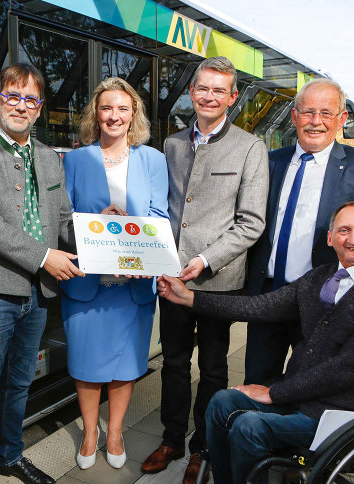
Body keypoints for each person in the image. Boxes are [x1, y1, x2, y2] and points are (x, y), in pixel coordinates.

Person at [157, 200, 354, 484]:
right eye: (344, 230)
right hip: (300, 398)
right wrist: (189, 298)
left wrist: (274, 394)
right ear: (330, 238)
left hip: (343, 414)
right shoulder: (318, 278)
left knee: (249, 425)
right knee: (223, 401)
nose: (353, 239)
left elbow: (349, 368)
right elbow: (260, 307)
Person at [244, 78, 354, 386]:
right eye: (308, 112)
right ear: (294, 117)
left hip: (325, 299)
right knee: (257, 383)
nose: (316, 121)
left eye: (326, 113)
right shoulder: (269, 161)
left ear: (342, 119)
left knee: (312, 387)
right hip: (270, 295)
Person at [0, 63, 82, 484]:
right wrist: (46, 257)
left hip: (38, 295)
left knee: (19, 385)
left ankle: (9, 456)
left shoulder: (48, 157)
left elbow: (62, 219)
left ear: (40, 108)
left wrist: (100, 230)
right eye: (13, 96)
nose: (20, 106)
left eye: (30, 99)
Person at [141, 56, 268, 484]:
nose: (210, 96)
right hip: (173, 276)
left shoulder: (251, 147)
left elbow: (251, 221)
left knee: (213, 367)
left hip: (218, 282)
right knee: (175, 364)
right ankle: (172, 439)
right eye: (203, 88)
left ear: (232, 97)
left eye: (220, 90)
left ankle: (206, 446)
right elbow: (165, 208)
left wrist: (206, 259)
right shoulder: (172, 144)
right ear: (192, 92)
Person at [60, 76, 168, 471]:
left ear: (133, 113)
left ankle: (116, 430)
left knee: (125, 365)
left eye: (123, 108)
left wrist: (136, 233)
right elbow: (63, 217)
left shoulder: (153, 160)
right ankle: (91, 431)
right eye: (107, 108)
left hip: (134, 284)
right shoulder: (75, 159)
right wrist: (93, 223)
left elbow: (159, 215)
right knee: (87, 363)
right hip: (89, 282)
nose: (114, 116)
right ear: (96, 113)